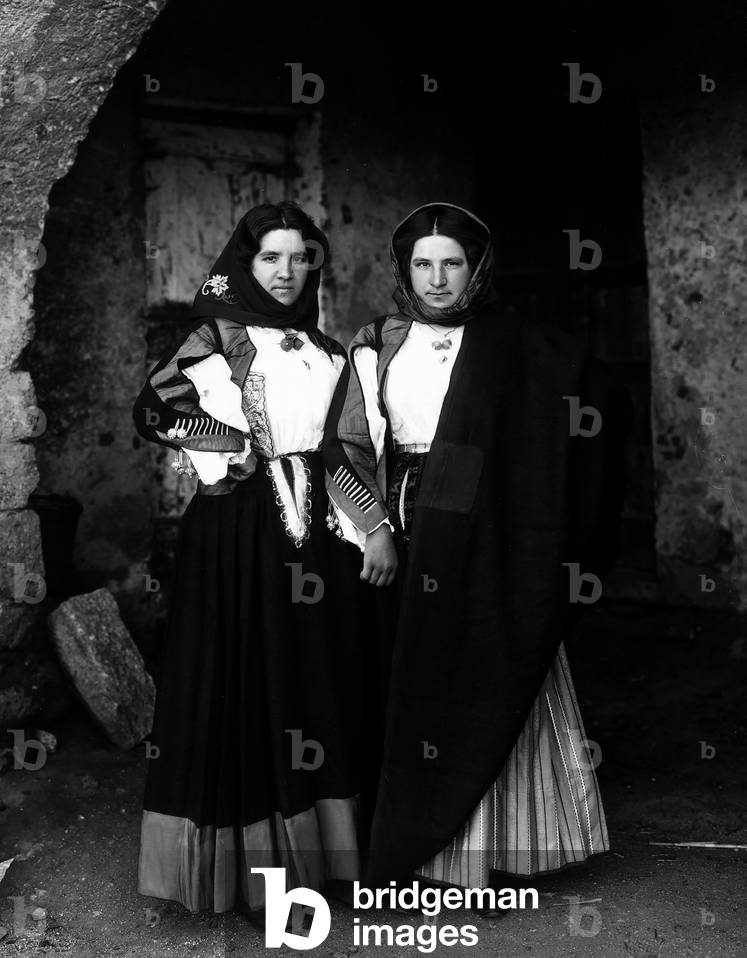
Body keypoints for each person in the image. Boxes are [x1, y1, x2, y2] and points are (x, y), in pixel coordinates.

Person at [323, 202, 633, 892]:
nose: (437, 279)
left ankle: (498, 854)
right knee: (418, 685)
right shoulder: (377, 342)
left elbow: (590, 398)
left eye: (452, 264)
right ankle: (427, 857)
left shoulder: (514, 343)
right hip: (405, 530)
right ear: (404, 270)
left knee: (493, 667)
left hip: (493, 531)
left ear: (477, 270)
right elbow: (341, 446)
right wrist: (372, 529)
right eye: (422, 264)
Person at [133, 201, 382, 917]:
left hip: (319, 538)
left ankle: (321, 855)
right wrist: (227, 446)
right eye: (270, 256)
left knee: (313, 676)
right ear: (245, 263)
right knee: (240, 681)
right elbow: (154, 405)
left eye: (299, 257)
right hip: (236, 538)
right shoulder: (218, 336)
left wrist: (370, 527)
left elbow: (346, 448)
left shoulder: (330, 352)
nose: (285, 270)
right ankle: (241, 869)